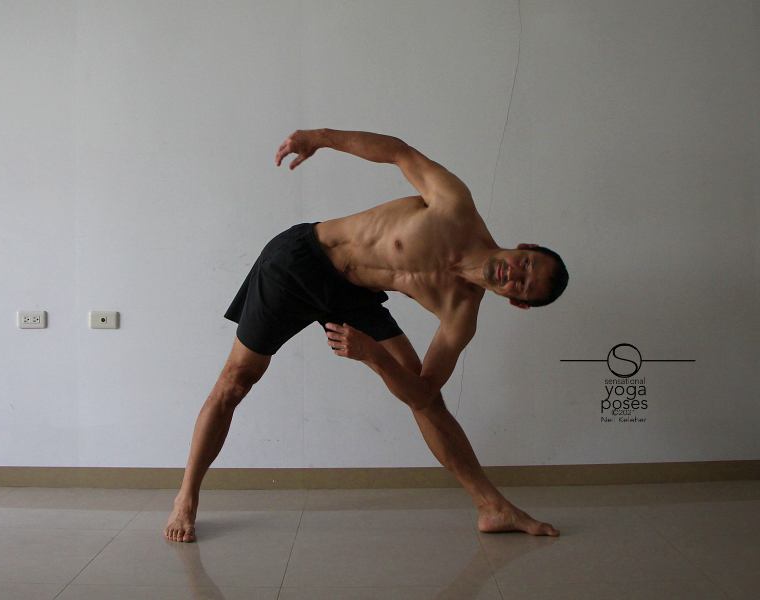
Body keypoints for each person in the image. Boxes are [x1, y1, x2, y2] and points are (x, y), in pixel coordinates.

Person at [164, 128, 569, 542]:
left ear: (516, 302)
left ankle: (492, 507)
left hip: (353, 295)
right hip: (300, 262)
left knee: (430, 401)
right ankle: (186, 498)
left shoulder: (461, 312)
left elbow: (421, 392)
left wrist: (373, 356)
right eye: (525, 264)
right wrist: (319, 138)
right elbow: (398, 152)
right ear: (524, 247)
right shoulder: (455, 207)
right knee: (235, 382)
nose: (514, 274)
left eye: (523, 286)